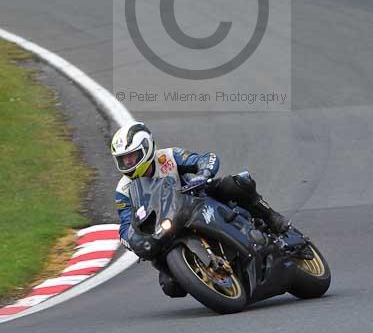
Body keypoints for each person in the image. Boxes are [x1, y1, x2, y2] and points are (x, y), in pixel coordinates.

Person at [112, 121, 289, 297]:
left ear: (146, 148)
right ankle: (209, 278)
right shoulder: (123, 190)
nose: (127, 162)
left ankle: (271, 216)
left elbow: (205, 158)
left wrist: (203, 173)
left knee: (236, 183)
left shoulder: (168, 157)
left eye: (132, 156)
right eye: (123, 159)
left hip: (195, 200)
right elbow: (126, 224)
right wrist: (131, 239)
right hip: (163, 229)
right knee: (170, 285)